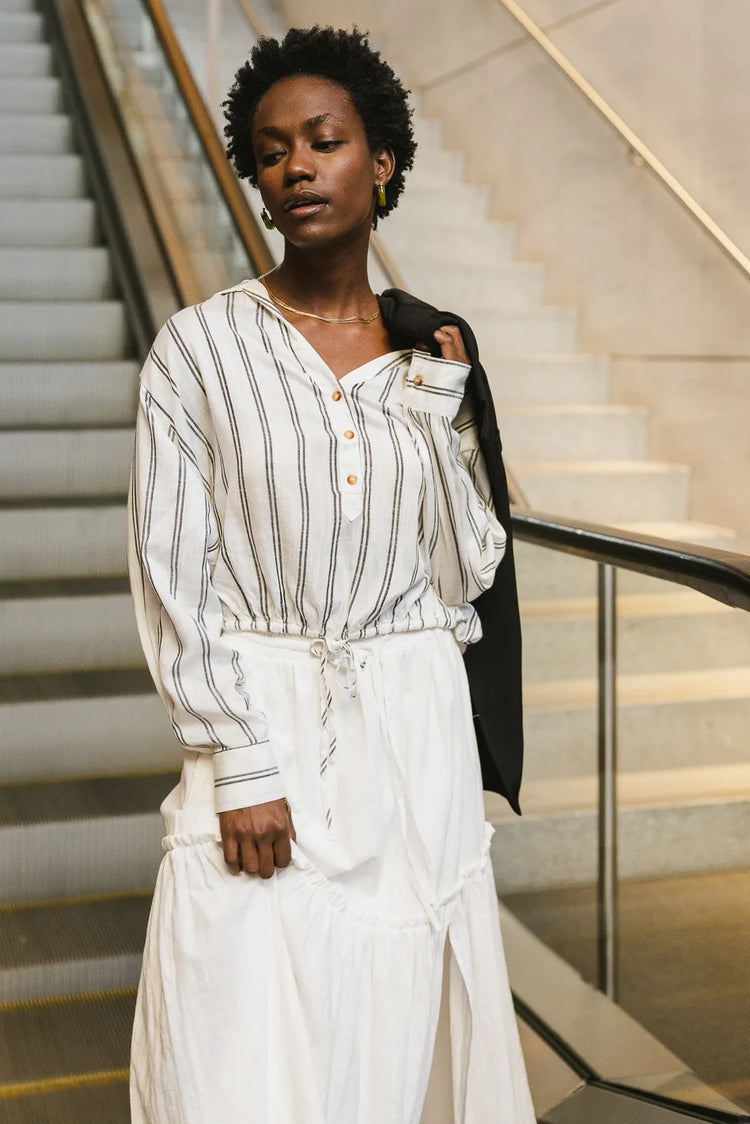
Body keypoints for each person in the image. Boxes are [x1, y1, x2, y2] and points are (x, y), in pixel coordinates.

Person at [127, 25, 535, 1124]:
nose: (296, 164)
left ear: (382, 161)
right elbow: (174, 573)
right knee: (235, 1043)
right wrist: (243, 759)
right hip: (267, 722)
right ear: (258, 184)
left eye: (324, 139)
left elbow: (464, 579)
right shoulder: (200, 350)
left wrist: (444, 412)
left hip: (414, 733)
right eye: (271, 152)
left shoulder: (430, 355)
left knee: (395, 1030)